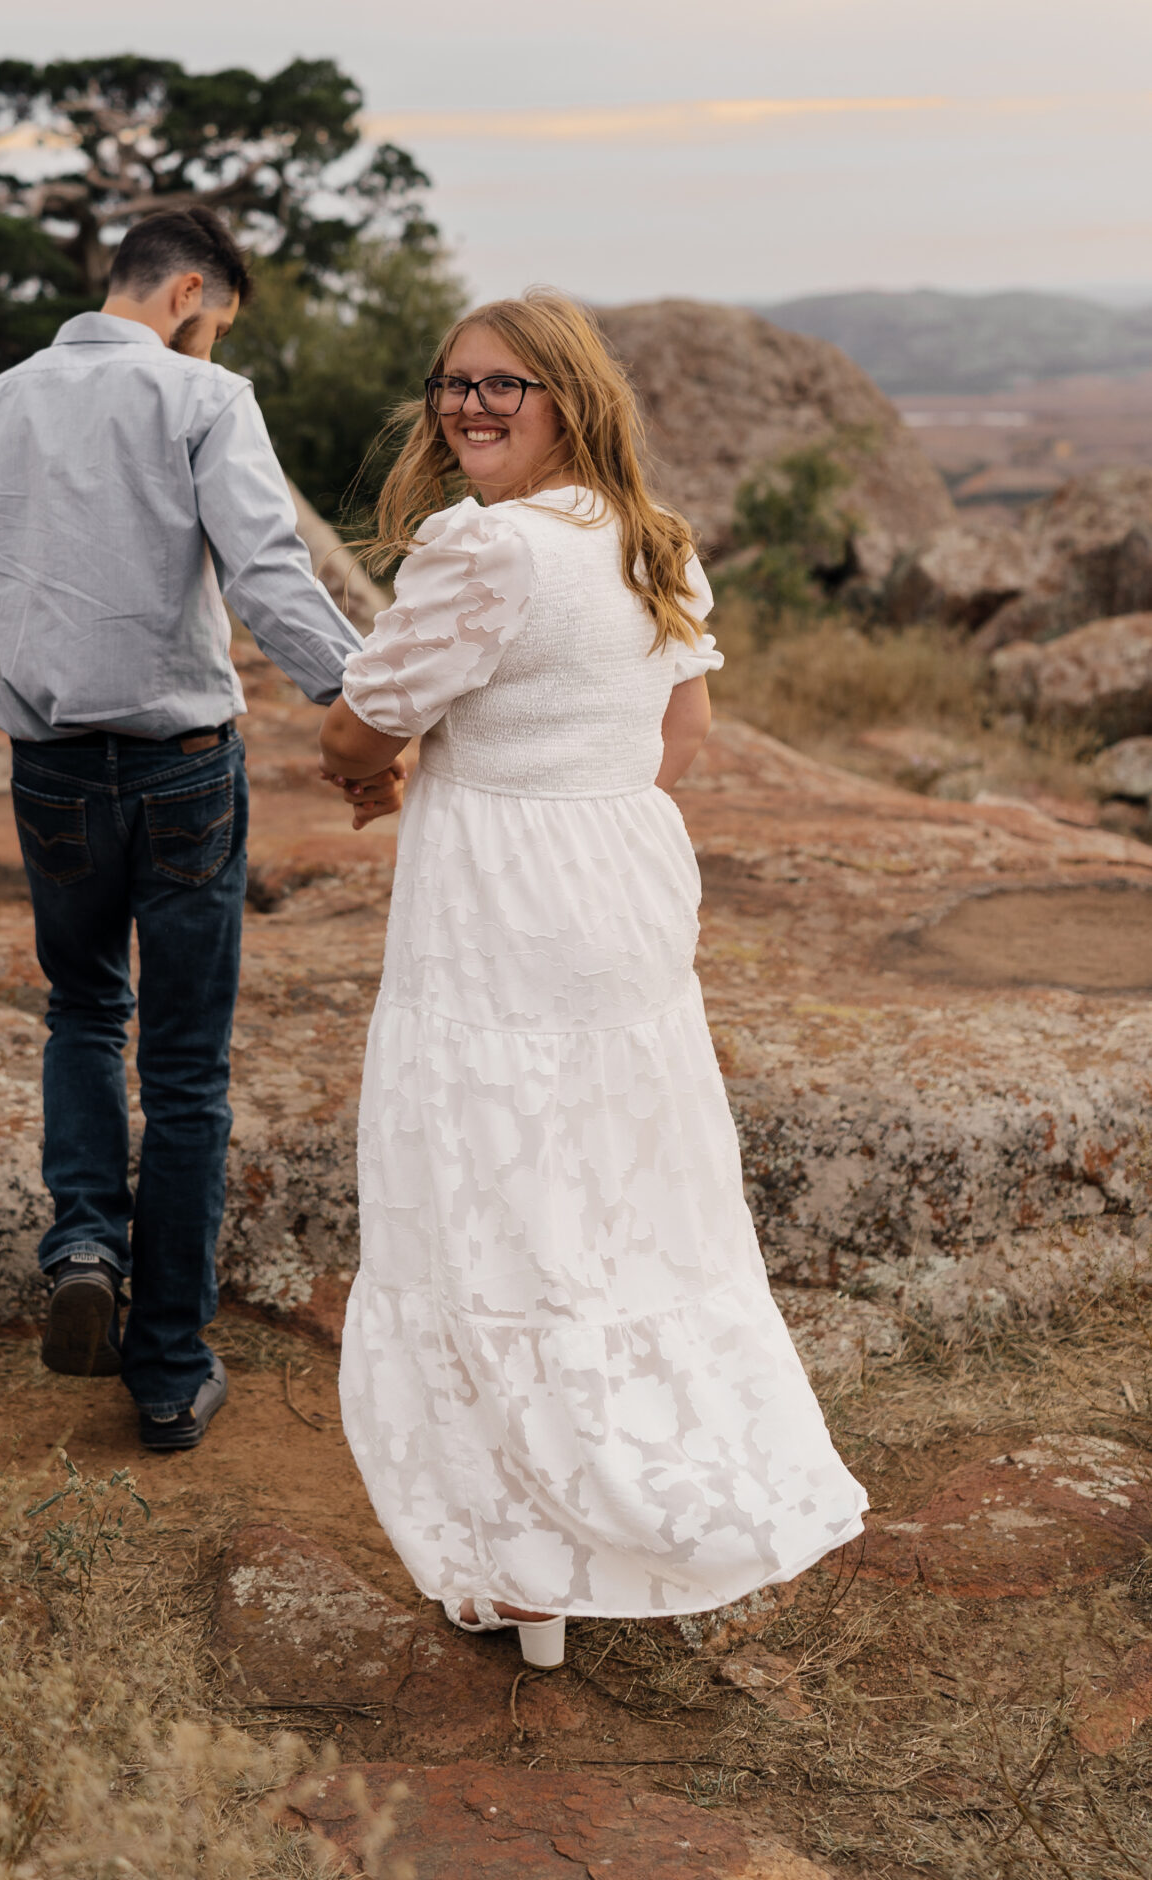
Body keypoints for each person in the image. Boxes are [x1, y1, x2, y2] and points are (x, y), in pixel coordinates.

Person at [319, 288, 865, 1669]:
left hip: (499, 894)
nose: (470, 407)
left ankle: (524, 1566)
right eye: (453, 385)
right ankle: (598, 1528)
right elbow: (681, 737)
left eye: (503, 385)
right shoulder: (648, 540)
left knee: (496, 1200)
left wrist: (392, 772)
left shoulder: (483, 549)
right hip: (622, 875)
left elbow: (359, 721)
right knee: (617, 1195)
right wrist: (574, 794)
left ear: (568, 397)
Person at [0, 203, 396, 1450]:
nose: (210, 345)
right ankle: (168, 1368)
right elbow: (272, 572)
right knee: (184, 1072)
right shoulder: (200, 400)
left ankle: (81, 1242)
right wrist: (370, 710)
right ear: (187, 297)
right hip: (182, 774)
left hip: (51, 775)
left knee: (80, 1009)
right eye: (213, 325)